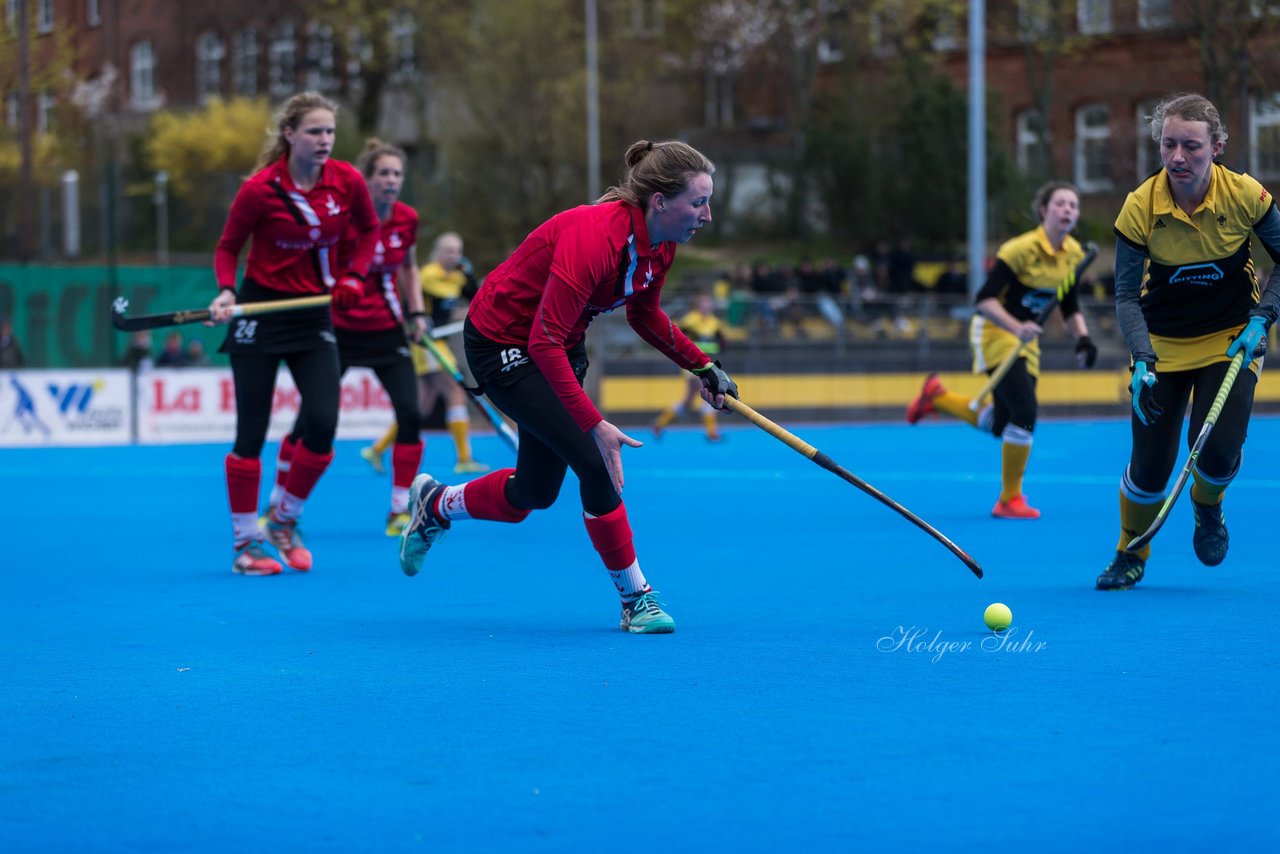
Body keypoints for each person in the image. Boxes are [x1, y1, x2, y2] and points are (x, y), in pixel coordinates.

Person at [398, 139, 735, 634]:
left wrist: (702, 366)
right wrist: (594, 423)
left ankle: (437, 504)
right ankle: (636, 599)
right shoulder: (595, 236)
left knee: (533, 492)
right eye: (699, 202)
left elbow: (645, 316)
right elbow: (543, 339)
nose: (706, 215)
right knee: (594, 460)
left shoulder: (660, 246)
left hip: (557, 341)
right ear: (660, 201)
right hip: (502, 341)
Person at [1094, 93, 1279, 590]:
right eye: (1168, 145)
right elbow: (1127, 297)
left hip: (1232, 339)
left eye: (1192, 146)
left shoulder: (1246, 196)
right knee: (1151, 468)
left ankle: (1207, 505)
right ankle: (1130, 552)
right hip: (1160, 343)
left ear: (1216, 147)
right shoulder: (1140, 207)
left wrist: (1264, 317)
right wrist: (1141, 357)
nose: (1178, 157)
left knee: (1218, 451)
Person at [207, 91, 380, 577]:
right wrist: (225, 292)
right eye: (314, 132)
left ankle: (284, 519)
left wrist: (353, 277)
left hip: (312, 318)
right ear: (290, 134)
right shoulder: (259, 190)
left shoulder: (346, 181)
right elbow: (228, 248)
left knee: (323, 424)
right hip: (259, 313)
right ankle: (246, 545)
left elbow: (368, 233)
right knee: (251, 433)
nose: (324, 140)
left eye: (329, 131)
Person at [905, 181, 1099, 520]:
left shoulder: (1074, 254)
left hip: (1026, 340)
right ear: (1044, 210)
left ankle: (937, 397)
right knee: (1025, 412)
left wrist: (1083, 338)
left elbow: (1068, 304)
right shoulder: (1018, 250)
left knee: (1003, 424)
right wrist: (1015, 326)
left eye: (1074, 205)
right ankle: (1009, 499)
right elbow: (984, 299)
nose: (1068, 210)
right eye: (1061, 204)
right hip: (996, 331)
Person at [269, 138, 430, 538]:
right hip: (336, 329)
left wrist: (417, 313)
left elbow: (408, 269)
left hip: (386, 329)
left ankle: (399, 510)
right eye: (384, 174)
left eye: (397, 174)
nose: (391, 181)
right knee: (311, 420)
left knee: (410, 413)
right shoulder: (342, 219)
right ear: (366, 179)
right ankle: (278, 502)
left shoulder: (407, 218)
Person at [360, 232, 489, 476]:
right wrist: (462, 281)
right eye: (449, 251)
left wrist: (469, 278)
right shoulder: (428, 275)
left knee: (421, 406)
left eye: (457, 251)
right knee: (454, 392)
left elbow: (473, 298)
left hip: (437, 342)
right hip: (427, 344)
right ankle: (463, 458)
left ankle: (376, 449)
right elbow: (445, 295)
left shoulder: (456, 276)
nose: (454, 256)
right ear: (438, 252)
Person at [652, 292, 726, 441]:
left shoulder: (714, 322)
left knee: (688, 400)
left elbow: (722, 344)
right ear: (697, 306)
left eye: (708, 303)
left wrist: (713, 347)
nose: (707, 306)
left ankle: (660, 423)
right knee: (709, 392)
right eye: (704, 304)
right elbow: (681, 341)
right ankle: (712, 432)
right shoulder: (689, 321)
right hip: (692, 363)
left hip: (706, 363)